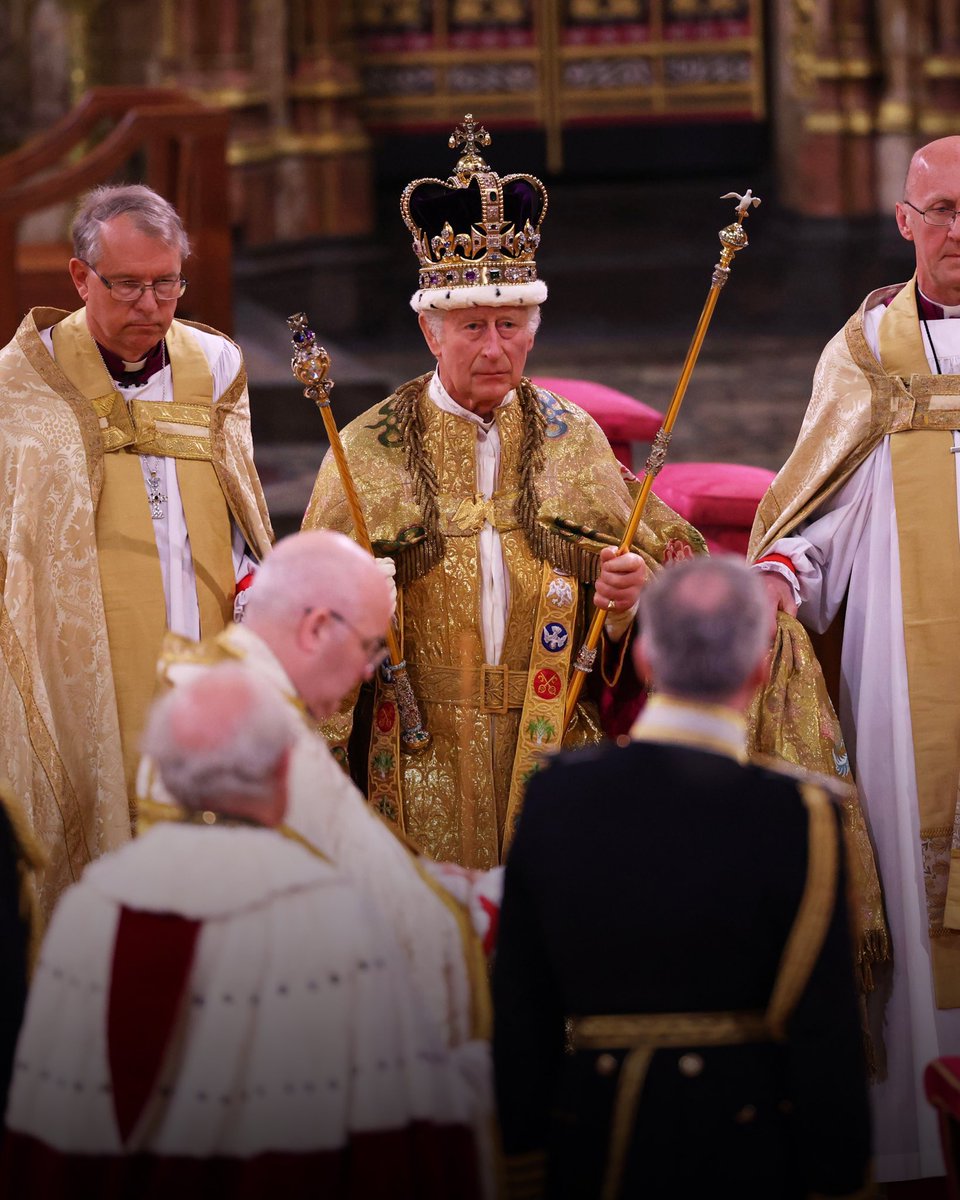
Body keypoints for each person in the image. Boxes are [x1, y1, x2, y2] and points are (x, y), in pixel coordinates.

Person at [303, 114, 703, 868]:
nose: (495, 347)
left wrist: (625, 607)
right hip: (419, 755)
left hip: (552, 746)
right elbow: (311, 629)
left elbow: (655, 590)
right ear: (432, 333)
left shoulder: (572, 438)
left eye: (512, 325)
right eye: (473, 326)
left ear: (534, 328)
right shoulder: (364, 449)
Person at [1, 667, 486, 1198]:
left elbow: (44, 1138)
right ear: (284, 773)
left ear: (163, 769)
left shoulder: (92, 907)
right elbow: (401, 1139)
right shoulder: (336, 911)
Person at [492, 556, 871, 1200]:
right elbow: (825, 1030)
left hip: (594, 1139)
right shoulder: (801, 816)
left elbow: (520, 1008)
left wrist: (524, 1163)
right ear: (758, 670)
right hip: (747, 1149)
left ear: (644, 661)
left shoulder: (556, 796)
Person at [749, 134, 960, 1185]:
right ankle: (922, 1139)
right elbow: (821, 510)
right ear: (904, 219)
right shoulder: (868, 354)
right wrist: (786, 569)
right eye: (943, 208)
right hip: (902, 679)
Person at [0, 183, 272, 915]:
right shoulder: (20, 385)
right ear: (80, 277)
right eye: (126, 285)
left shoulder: (212, 365)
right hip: (84, 670)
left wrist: (253, 594)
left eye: (167, 283)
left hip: (204, 651)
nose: (150, 305)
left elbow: (242, 508)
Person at [138, 529, 491, 1053]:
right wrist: (485, 908)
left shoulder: (226, 690)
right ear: (318, 628)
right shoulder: (249, 732)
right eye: (372, 648)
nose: (370, 672)